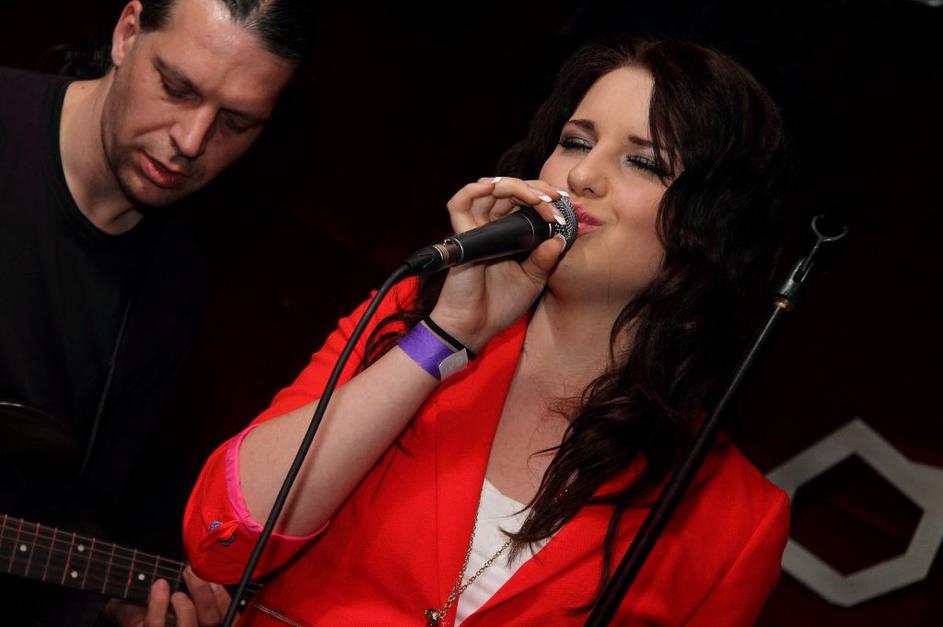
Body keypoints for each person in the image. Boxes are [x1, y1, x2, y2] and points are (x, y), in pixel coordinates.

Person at [183, 38, 792, 625]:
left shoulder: (736, 520)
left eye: (644, 161)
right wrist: (445, 337)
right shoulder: (412, 317)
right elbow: (225, 538)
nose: (583, 175)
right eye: (575, 142)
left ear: (714, 224)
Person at [0, 0, 307, 625]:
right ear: (126, 33)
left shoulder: (173, 287)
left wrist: (115, 606)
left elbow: (65, 505)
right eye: (177, 88)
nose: (191, 141)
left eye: (235, 123)